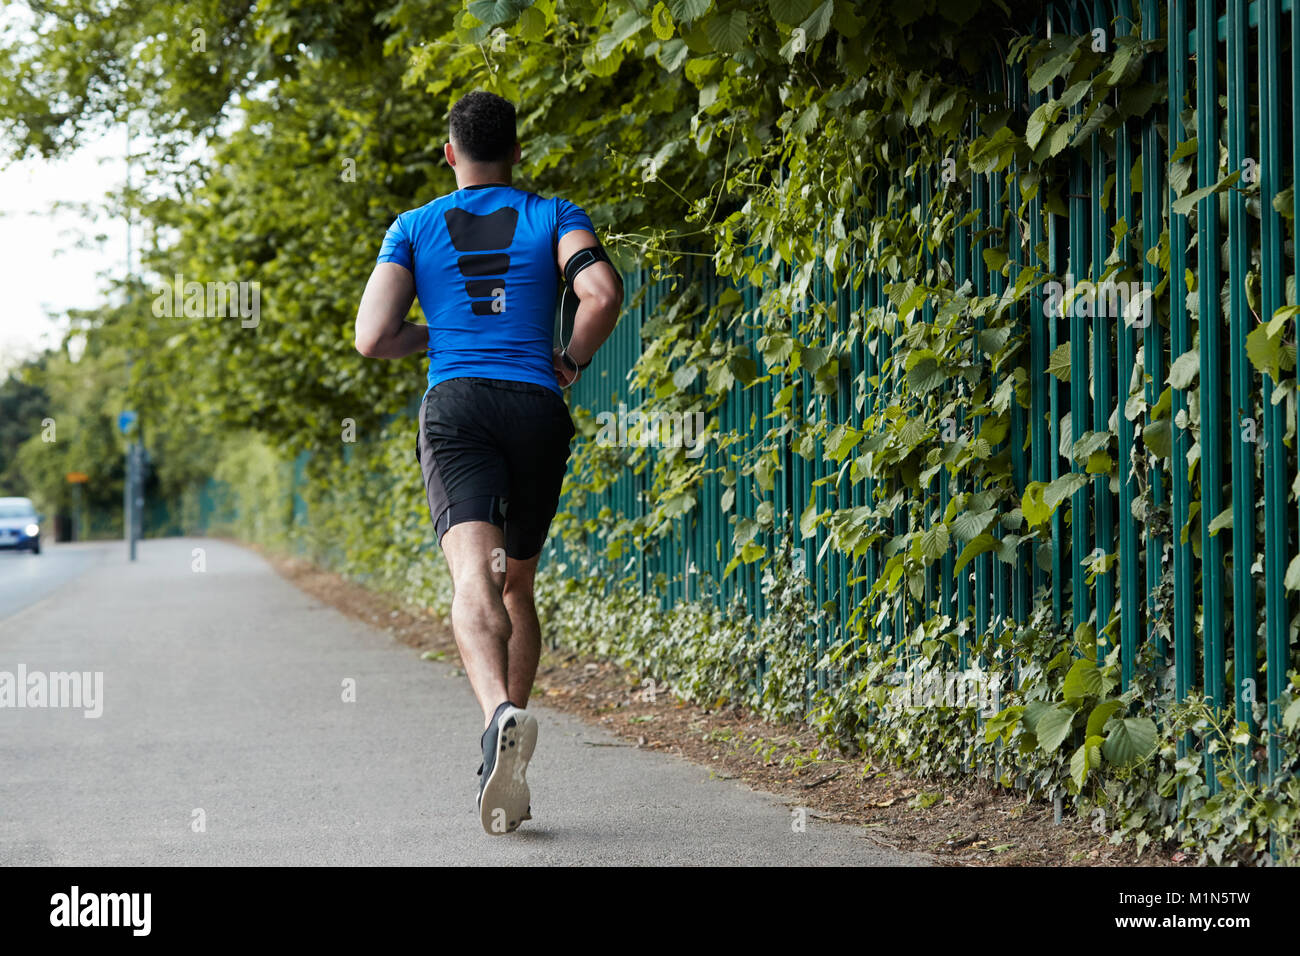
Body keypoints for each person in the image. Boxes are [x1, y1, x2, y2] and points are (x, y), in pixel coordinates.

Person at [353, 90, 623, 835]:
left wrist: (434, 338)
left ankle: (496, 717)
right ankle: (513, 743)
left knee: (477, 574)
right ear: (516, 151)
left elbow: (373, 337)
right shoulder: (555, 214)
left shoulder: (412, 227)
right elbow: (600, 294)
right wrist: (567, 361)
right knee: (519, 583)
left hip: (460, 407)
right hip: (536, 406)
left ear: (450, 154)